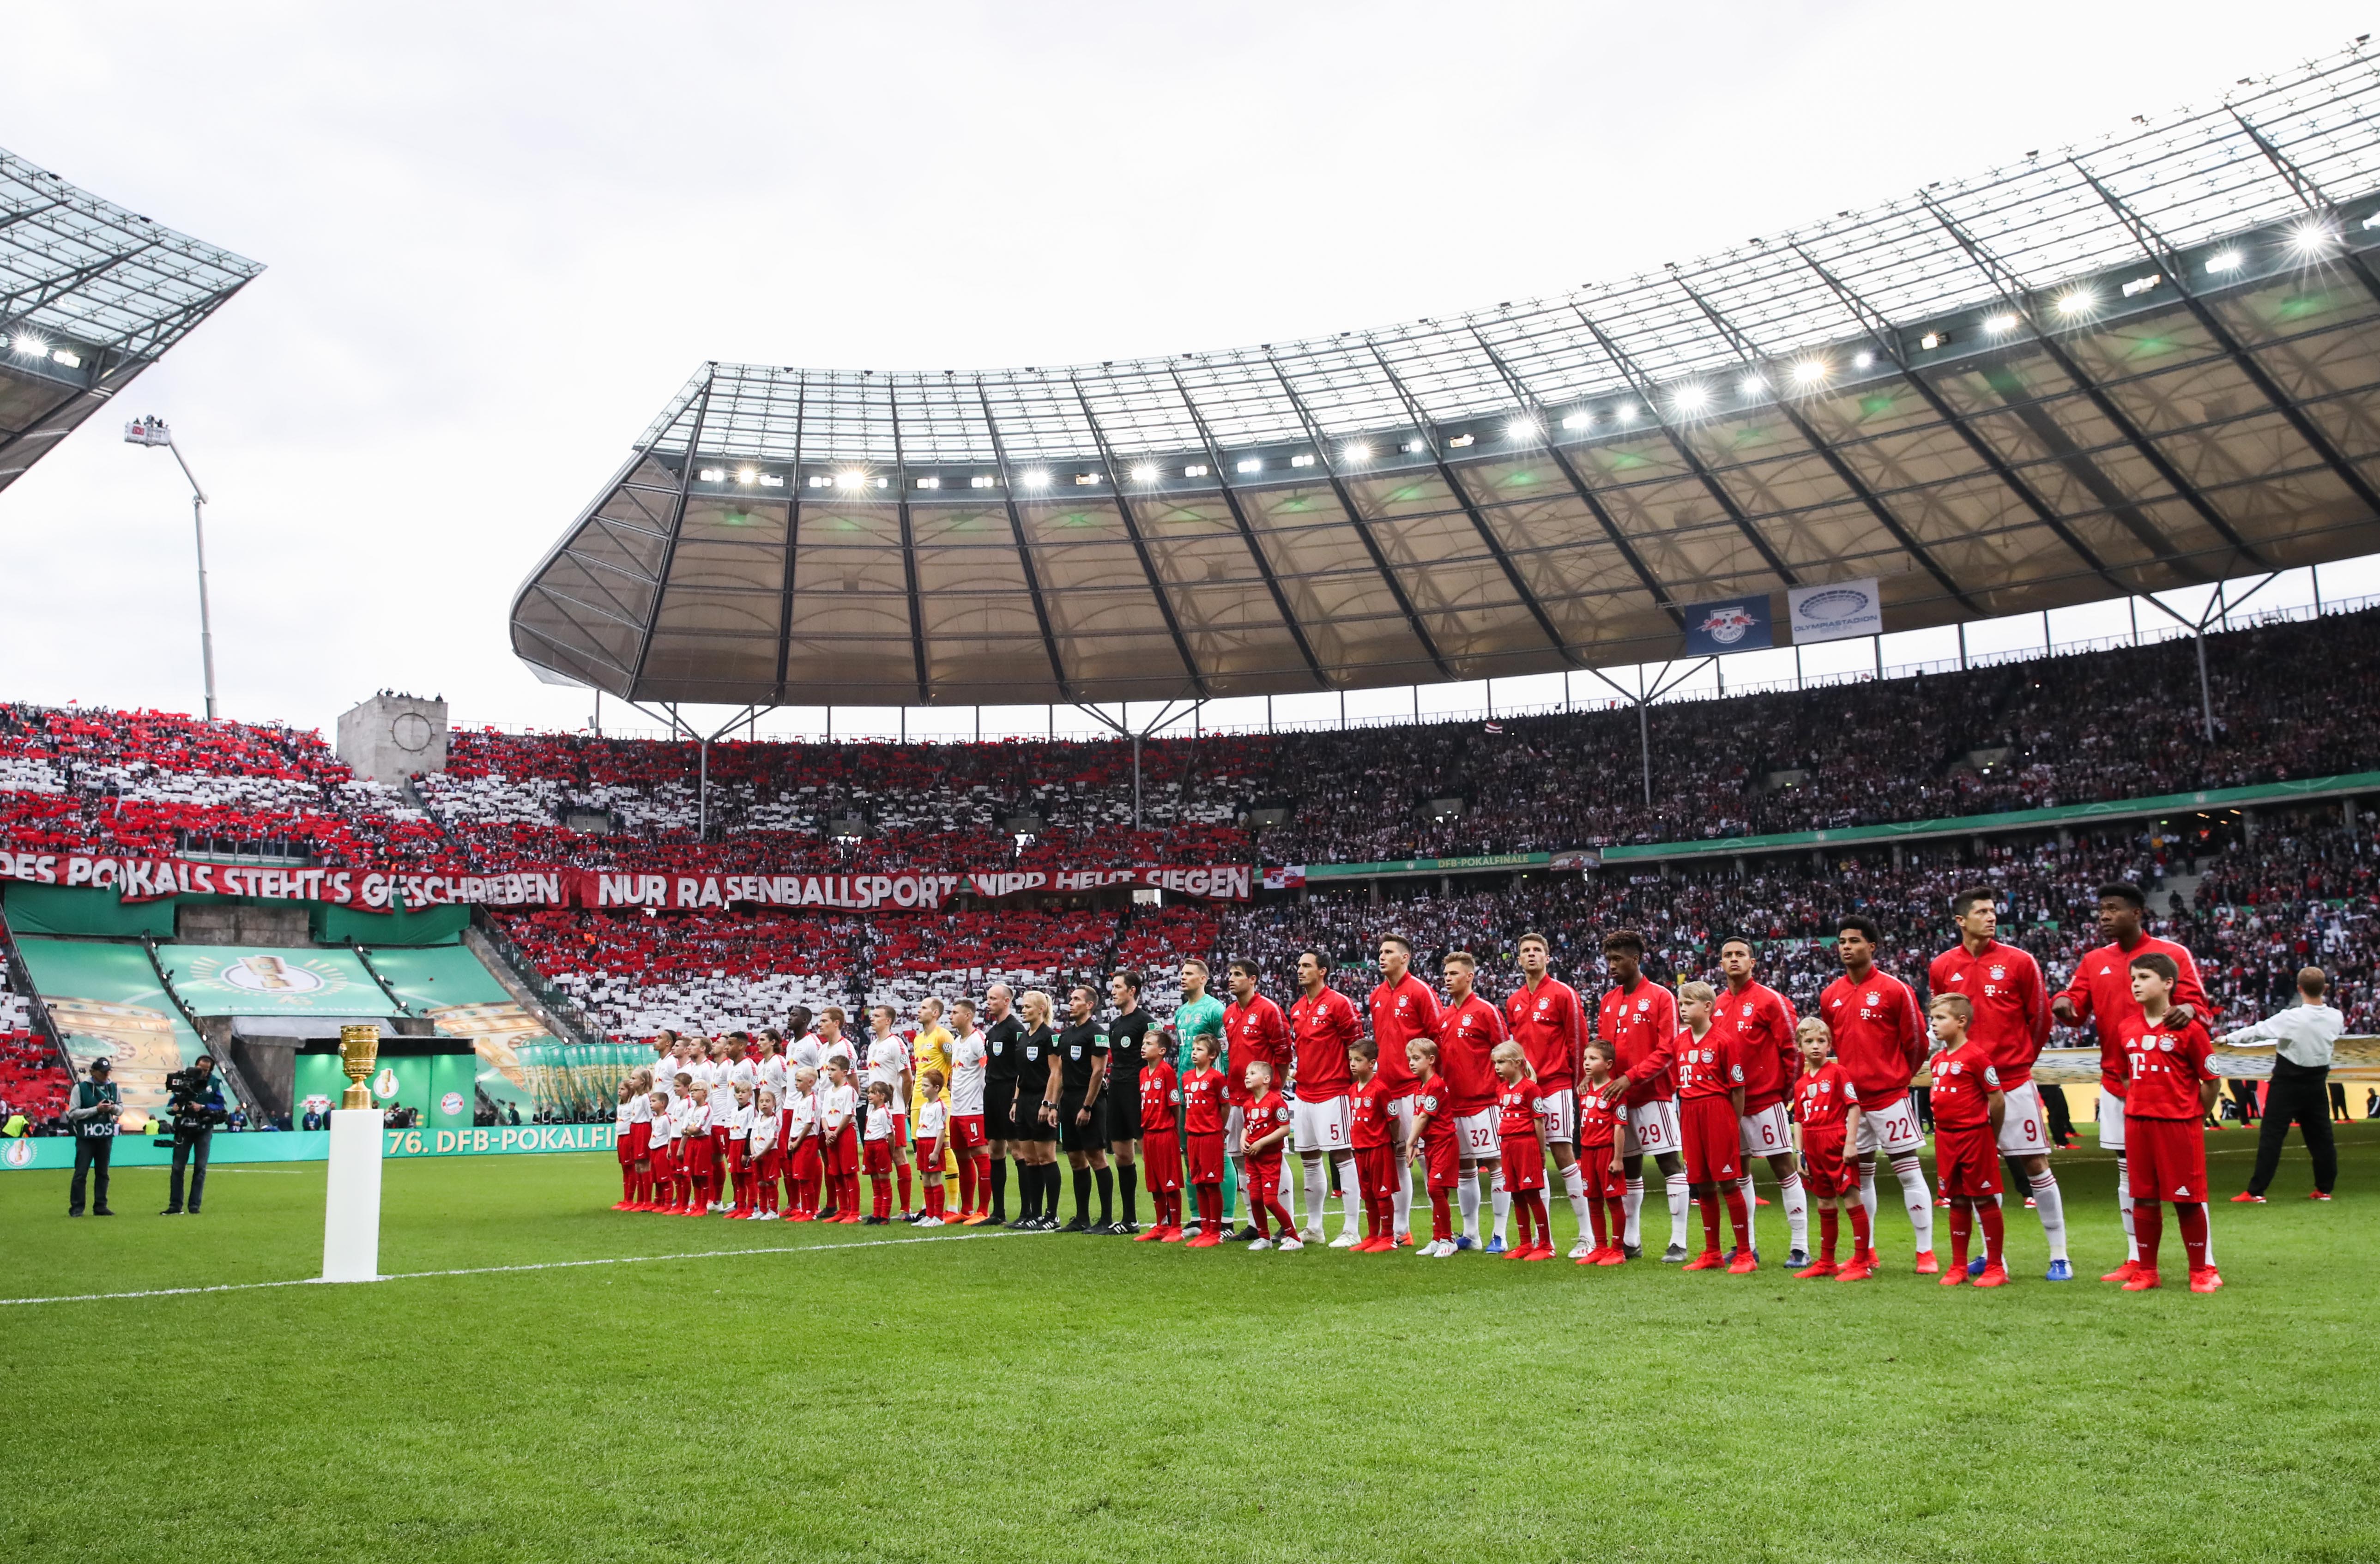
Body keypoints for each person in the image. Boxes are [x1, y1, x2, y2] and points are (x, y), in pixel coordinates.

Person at [2052, 881, 2207, 1278]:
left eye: (2112, 908)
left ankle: (2203, 1264)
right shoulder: (2093, 961)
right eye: (2100, 909)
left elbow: (2199, 1006)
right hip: (2119, 1082)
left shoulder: (2172, 955)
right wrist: (2064, 1004)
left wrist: (2189, 1009)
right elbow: (2076, 1003)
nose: (2104, 916)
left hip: (2170, 1085)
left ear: (2137, 912)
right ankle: (2137, 1258)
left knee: (2187, 1179)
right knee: (2129, 1174)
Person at [1930, 888, 2066, 1280]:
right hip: (1966, 1089)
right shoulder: (1942, 966)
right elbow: (1942, 1016)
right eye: (1982, 912)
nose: (1992, 917)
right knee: (1975, 1174)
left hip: (2011, 1080)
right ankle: (1995, 1258)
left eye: (1993, 911)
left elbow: (2040, 1019)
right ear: (1961, 921)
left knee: (2036, 1163)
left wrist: (2019, 1061)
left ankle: (2059, 1254)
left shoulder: (2020, 961)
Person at [1819, 916, 1936, 1273]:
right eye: (1842, 941)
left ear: (1872, 946)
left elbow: (1917, 1042)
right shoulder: (1831, 995)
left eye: (1854, 940)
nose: (1846, 947)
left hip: (1889, 1097)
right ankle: (1866, 1252)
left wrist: (1899, 1076)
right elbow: (1833, 1044)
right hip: (1852, 1103)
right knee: (1860, 1177)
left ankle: (1925, 1253)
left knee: (1908, 1171)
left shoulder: (1894, 989)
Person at [2114, 954, 2222, 1292]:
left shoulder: (2191, 1029)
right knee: (2143, 1197)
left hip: (2179, 1125)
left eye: (2144, 976)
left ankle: (2201, 1271)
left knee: (2187, 1199)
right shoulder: (2126, 1028)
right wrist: (2143, 1102)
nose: (2135, 983)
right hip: (2138, 1124)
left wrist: (2193, 1115)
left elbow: (2211, 1080)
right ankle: (2147, 1271)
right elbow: (2124, 1073)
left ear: (2168, 983)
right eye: (2133, 977)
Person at [1593, 930, 1687, 1262]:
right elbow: (1603, 1051)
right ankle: (1630, 1240)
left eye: (1618, 959)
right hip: (1619, 1098)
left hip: (1653, 1095)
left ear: (1635, 959)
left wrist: (1630, 1077)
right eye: (1609, 959)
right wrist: (1594, 1079)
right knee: (1627, 1168)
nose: (1612, 965)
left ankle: (1679, 1241)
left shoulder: (1661, 996)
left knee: (1669, 1163)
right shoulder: (1608, 1000)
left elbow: (1668, 1050)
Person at [1714, 938, 1809, 1267]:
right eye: (1728, 955)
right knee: (1739, 1173)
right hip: (1729, 1104)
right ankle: (1747, 1246)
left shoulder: (1771, 1000)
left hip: (1765, 1100)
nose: (1734, 959)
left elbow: (1792, 1051)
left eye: (1741, 954)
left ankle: (1800, 1246)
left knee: (1783, 1167)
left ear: (1753, 962)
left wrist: (1784, 1094)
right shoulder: (1717, 1005)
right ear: (1721, 964)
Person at [1504, 931, 1592, 1259]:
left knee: (1562, 1152)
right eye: (1525, 950)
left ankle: (1587, 1235)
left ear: (1548, 956)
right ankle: (1544, 1241)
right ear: (1518, 958)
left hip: (1555, 1085)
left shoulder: (1563, 993)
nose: (1531, 955)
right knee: (1531, 1157)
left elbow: (1578, 1039)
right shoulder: (1513, 1000)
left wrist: (1581, 1082)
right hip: (1525, 1088)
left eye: (1537, 950)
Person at [2225, 966, 2344, 1204]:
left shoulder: (2291, 1018)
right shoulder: (2336, 1017)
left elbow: (2257, 1032)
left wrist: (2228, 1038)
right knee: (2321, 1137)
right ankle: (2324, 1188)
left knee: (2272, 1137)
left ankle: (2257, 1191)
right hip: (2317, 1082)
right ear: (2326, 988)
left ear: (2299, 989)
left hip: (2288, 1082)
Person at [1926, 993, 2010, 1289]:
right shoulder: (1937, 1060)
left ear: (1961, 1022)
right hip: (1947, 1139)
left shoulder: (1976, 1056)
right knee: (1957, 1199)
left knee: (1984, 1199)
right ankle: (1958, 1266)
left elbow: (1997, 1100)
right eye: (1932, 1018)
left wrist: (1991, 1135)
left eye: (1940, 1019)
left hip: (1975, 1136)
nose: (1933, 1025)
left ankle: (1996, 1267)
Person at [1673, 982, 1751, 1273]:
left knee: (1729, 1182)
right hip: (1690, 1113)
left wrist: (1733, 1122)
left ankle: (1744, 1253)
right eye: (1680, 1003)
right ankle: (1713, 1253)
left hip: (1717, 1112)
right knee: (1702, 1184)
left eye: (1688, 1003)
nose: (1682, 1008)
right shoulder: (1679, 1042)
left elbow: (1737, 1089)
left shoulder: (1723, 1041)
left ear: (1707, 1007)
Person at [1368, 935, 1440, 1248]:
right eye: (1380, 952)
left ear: (1405, 957)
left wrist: (1433, 1084)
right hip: (1388, 1088)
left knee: (1424, 1157)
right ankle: (1402, 1229)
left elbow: (1437, 1036)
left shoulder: (1420, 990)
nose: (1381, 957)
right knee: (1397, 1159)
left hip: (1415, 1088)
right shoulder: (1376, 995)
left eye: (1388, 952)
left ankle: (1443, 1231)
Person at [1288, 948, 1364, 1247]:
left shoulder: (1339, 1003)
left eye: (1306, 965)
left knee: (1343, 1155)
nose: (1300, 969)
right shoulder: (1296, 1008)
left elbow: (1357, 1044)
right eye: (1299, 965)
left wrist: (1354, 1086)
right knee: (1308, 1158)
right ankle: (1315, 1226)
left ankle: (1351, 1228)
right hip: (1304, 1093)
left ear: (1322, 971)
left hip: (1334, 1092)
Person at [1789, 1017, 1869, 1281]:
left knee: (1851, 1198)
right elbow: (1799, 1120)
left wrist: (1850, 1143)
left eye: (1821, 1041)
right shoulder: (1801, 1084)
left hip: (1835, 1140)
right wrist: (1799, 1154)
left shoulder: (1837, 1073)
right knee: (1824, 1201)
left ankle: (1861, 1262)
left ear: (1829, 1046)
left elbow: (1854, 1106)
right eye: (1809, 1041)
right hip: (1812, 1146)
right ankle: (1827, 1262)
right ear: (1800, 1046)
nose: (1815, 1046)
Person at [1223, 960, 1293, 1241]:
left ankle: (1285, 1223)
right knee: (1240, 1159)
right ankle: (1255, 1224)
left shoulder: (1269, 1009)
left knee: (1275, 1158)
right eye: (1230, 974)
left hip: (1264, 1098)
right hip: (1237, 1097)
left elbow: (1284, 1055)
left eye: (1237, 975)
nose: (1231, 979)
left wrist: (1275, 1089)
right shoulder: (1229, 1013)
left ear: (1253, 979)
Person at [1047, 984, 1114, 1234]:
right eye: (1071, 999)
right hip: (1069, 1101)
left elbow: (1099, 1071)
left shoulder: (1096, 1033)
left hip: (1090, 1101)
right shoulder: (1065, 1036)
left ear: (1089, 1005)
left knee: (1096, 1157)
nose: (1070, 1003)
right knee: (1076, 1159)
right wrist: (1054, 1105)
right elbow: (1061, 1073)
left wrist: (1087, 1106)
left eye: (1076, 999)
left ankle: (1106, 1219)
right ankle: (1082, 1218)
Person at [1170, 960, 1231, 1227]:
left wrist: (1223, 1085)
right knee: (1188, 1154)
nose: (1183, 977)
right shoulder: (1181, 1012)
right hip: (1186, 1091)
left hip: (1209, 1092)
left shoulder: (1215, 1009)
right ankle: (1197, 1218)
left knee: (1219, 1154)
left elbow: (1225, 1049)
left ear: (1203, 978)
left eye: (1189, 974)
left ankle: (1225, 1219)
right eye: (1182, 973)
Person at [1490, 1041, 1552, 1261]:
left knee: (1531, 1193)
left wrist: (1541, 1151)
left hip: (1526, 1145)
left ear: (1517, 1064)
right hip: (1508, 1144)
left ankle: (1545, 1244)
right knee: (1516, 1193)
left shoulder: (1530, 1089)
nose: (1497, 1067)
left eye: (1501, 1062)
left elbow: (1538, 1122)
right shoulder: (1501, 1089)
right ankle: (1525, 1242)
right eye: (1495, 1063)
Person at [1008, 990, 1062, 1231]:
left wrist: (1048, 1103)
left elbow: (1055, 1073)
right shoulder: (1023, 1037)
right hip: (1024, 1101)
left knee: (1046, 1158)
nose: (1024, 1010)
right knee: (1030, 1160)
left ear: (1041, 1009)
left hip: (1041, 1100)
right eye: (1023, 1006)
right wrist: (1016, 1101)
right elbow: (1021, 1074)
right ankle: (1034, 1213)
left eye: (1028, 1007)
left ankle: (1052, 1215)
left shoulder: (1049, 1037)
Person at [1104, 970, 1153, 1235]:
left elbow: (1156, 1060)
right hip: (1117, 1091)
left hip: (1138, 1092)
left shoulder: (1146, 1022)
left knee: (1149, 1153)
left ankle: (1166, 1217)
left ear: (1132, 990)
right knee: (1122, 1156)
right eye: (1112, 987)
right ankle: (1129, 1218)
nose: (1113, 991)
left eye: (1118, 987)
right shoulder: (1114, 1025)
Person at [1573, 1039, 1628, 1266]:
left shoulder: (1615, 1091)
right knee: (1593, 1201)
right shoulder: (1584, 1091)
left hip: (1606, 1152)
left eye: (1593, 1059)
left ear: (1608, 1064)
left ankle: (1618, 1250)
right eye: (1586, 1058)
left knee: (1613, 1201)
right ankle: (1601, 1247)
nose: (1587, 1063)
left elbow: (1619, 1126)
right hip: (1588, 1152)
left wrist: (1617, 1158)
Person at [1406, 1037, 1461, 1258]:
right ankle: (1437, 1238)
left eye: (1416, 1058)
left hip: (1445, 1143)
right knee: (1438, 1190)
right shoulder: (1419, 1087)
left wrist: (1411, 1142)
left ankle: (1448, 1238)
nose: (1411, 1063)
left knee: (1436, 1189)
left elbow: (1422, 1118)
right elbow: (1416, 1116)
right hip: (1431, 1144)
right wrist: (1417, 1143)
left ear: (1431, 1060)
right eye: (1409, 1059)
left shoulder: (1436, 1085)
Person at [1239, 1060, 1300, 1251]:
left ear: (1266, 1079)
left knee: (1270, 1200)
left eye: (1252, 1073)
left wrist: (1261, 1143)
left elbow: (1284, 1129)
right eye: (1247, 1073)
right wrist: (1243, 1140)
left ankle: (1294, 1237)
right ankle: (1264, 1238)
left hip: (1270, 1159)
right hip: (1252, 1159)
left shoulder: (1276, 1102)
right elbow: (1246, 1127)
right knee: (1255, 1199)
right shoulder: (1248, 1104)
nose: (1247, 1076)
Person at [864, 1007, 917, 1222]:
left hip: (892, 1110)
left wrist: (903, 1105)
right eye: (872, 1016)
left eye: (877, 1016)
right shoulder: (873, 1045)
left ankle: (905, 1209)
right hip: (873, 1109)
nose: (872, 1019)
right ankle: (879, 1209)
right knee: (876, 1160)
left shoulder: (896, 1044)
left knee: (898, 1155)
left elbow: (908, 1078)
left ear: (888, 1021)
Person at [1136, 1023, 1185, 1243]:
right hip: (1149, 1133)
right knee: (1154, 1182)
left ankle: (1176, 1227)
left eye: (1149, 1044)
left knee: (1170, 1181)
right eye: (1144, 1043)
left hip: (1165, 1132)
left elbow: (1175, 1104)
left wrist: (1172, 1129)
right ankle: (1161, 1225)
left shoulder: (1166, 1072)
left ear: (1162, 1051)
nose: (1143, 1047)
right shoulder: (1143, 1073)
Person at [161, 1054, 226, 1216]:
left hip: (204, 1127)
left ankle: (194, 1206)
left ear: (210, 1070)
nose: (203, 1073)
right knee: (177, 1168)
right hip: (184, 1127)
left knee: (200, 1167)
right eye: (200, 1069)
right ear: (195, 1066)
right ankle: (175, 1205)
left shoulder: (215, 1084)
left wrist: (203, 1107)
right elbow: (169, 1107)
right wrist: (174, 1108)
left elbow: (221, 1106)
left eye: (206, 1070)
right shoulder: (184, 1080)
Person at [980, 984, 1023, 1225]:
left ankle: (1028, 1211)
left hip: (1009, 1092)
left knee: (1017, 1150)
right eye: (988, 998)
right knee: (994, 1150)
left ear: (1007, 1001)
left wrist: (1016, 1098)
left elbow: (1021, 1068)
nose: (989, 1002)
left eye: (994, 999)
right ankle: (998, 1213)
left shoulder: (1015, 1030)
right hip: (992, 1092)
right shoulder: (993, 1032)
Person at [946, 999, 993, 1224]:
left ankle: (983, 1211)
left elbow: (988, 1070)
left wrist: (986, 1102)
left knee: (981, 1157)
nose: (951, 1016)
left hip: (974, 1109)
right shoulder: (957, 1041)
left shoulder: (978, 1040)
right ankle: (966, 1209)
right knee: (962, 1158)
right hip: (957, 1110)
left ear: (968, 1016)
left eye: (955, 1013)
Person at [1348, 1038, 1396, 1252]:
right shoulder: (1353, 1090)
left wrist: (1392, 1142)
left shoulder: (1380, 1089)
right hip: (1360, 1148)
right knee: (1367, 1193)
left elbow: (1393, 1120)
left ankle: (1388, 1237)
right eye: (1351, 1059)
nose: (1353, 1064)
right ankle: (1372, 1235)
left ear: (1372, 1063)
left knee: (1382, 1192)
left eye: (1358, 1060)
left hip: (1378, 1147)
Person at [1181, 1033, 1229, 1247]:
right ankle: (1205, 1229)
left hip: (1210, 1136)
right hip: (1193, 1136)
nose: (1194, 1053)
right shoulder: (1187, 1078)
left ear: (1212, 1055)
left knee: (1211, 1184)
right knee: (1198, 1183)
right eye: (1193, 1049)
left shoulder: (1217, 1078)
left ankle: (1215, 1231)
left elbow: (1225, 1105)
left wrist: (1221, 1128)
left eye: (1199, 1050)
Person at [66, 1057, 122, 1217]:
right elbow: (73, 1113)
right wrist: (96, 1110)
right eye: (103, 1072)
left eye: (108, 1072)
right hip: (86, 1137)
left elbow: (121, 1108)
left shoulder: (113, 1087)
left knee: (103, 1173)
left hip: (105, 1135)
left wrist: (112, 1109)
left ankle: (101, 1206)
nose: (106, 1075)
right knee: (81, 1173)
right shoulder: (81, 1088)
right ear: (93, 1072)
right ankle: (77, 1207)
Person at [819, 1057, 860, 1223]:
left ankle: (855, 1212)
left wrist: (836, 1133)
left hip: (844, 1133)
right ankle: (843, 1210)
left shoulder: (849, 1091)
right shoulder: (828, 1093)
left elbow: (849, 1114)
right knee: (836, 1173)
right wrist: (828, 1131)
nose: (829, 1073)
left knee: (849, 1172)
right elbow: (824, 1115)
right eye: (828, 1070)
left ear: (844, 1073)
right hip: (831, 1134)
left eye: (833, 1070)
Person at [913, 1069, 949, 1227]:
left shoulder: (940, 1107)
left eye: (926, 1086)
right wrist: (917, 1151)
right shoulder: (924, 1106)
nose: (922, 1088)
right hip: (922, 1144)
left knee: (935, 1180)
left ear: (936, 1088)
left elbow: (942, 1130)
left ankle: (939, 1217)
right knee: (926, 1180)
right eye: (922, 1085)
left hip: (932, 1144)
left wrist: (936, 1152)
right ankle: (929, 1215)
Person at [785, 1068, 822, 1220]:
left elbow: (809, 1123)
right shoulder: (799, 1100)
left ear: (811, 1082)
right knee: (800, 1177)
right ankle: (804, 1209)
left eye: (800, 1081)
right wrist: (790, 1139)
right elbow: (796, 1123)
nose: (796, 1083)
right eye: (796, 1080)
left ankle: (810, 1211)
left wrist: (798, 1141)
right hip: (797, 1140)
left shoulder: (812, 1100)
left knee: (806, 1177)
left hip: (807, 1141)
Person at [861, 1081, 897, 1224]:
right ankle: (876, 1214)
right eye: (869, 1092)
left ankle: (884, 1215)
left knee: (884, 1182)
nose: (869, 1095)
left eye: (872, 1093)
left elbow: (891, 1135)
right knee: (875, 1182)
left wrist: (891, 1153)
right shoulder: (871, 1111)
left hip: (880, 1146)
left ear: (882, 1096)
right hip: (869, 1146)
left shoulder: (884, 1113)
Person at [748, 1089, 782, 1220]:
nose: (764, 1104)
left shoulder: (774, 1120)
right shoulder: (757, 1120)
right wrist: (753, 1153)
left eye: (768, 1101)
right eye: (761, 1101)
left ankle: (774, 1210)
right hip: (756, 1155)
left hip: (769, 1155)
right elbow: (752, 1137)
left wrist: (762, 1154)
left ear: (774, 1103)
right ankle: (763, 1209)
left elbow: (773, 1140)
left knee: (770, 1181)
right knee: (761, 1182)